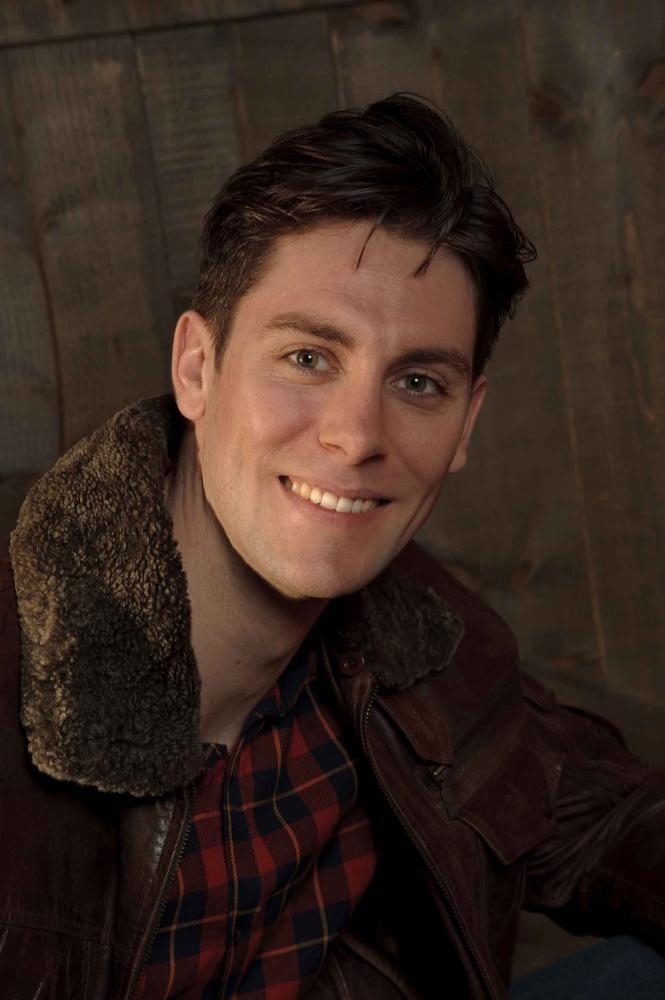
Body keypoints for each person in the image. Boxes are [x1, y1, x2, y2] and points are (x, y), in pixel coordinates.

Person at [1, 93, 664, 1000]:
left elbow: (612, 820)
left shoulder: (429, 648)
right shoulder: (24, 650)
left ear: (466, 423)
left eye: (418, 382)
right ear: (197, 368)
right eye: (308, 358)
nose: (356, 438)